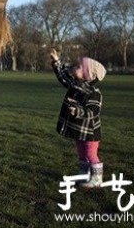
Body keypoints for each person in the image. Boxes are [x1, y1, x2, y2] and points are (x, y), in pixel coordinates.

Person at [50, 49, 107, 188]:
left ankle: (97, 178)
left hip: (90, 132)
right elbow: (63, 77)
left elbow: (93, 111)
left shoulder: (94, 93)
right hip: (80, 130)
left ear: (88, 75)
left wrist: (78, 111)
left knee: (90, 153)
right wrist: (56, 61)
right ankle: (84, 174)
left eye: (79, 67)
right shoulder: (75, 85)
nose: (75, 67)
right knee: (81, 152)